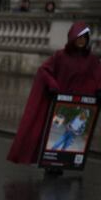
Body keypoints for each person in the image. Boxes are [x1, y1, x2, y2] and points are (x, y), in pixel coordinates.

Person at [7, 22, 101, 173]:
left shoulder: (92, 60)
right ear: (72, 38)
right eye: (79, 38)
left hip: (80, 106)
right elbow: (44, 70)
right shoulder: (60, 56)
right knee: (57, 133)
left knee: (70, 137)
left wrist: (98, 89)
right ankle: (51, 162)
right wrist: (52, 85)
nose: (82, 41)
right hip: (60, 104)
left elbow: (98, 76)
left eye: (85, 38)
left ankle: (64, 161)